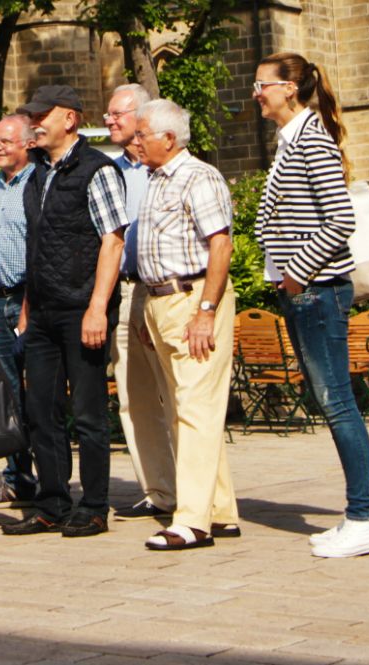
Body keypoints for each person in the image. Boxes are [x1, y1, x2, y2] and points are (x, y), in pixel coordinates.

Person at [253, 52, 369, 558]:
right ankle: (358, 514)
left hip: (317, 290)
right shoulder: (294, 141)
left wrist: (295, 273)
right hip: (305, 292)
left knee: (338, 404)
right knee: (332, 403)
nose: (256, 93)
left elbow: (339, 220)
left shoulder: (312, 139)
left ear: (289, 88)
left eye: (262, 84)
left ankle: (364, 517)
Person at [2, 85, 130, 539]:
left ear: (70, 119)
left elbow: (113, 241)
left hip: (82, 309)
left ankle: (94, 506)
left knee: (90, 412)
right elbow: (37, 245)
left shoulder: (98, 170)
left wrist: (98, 308)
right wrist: (26, 307)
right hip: (42, 313)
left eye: (43, 114)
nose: (35, 122)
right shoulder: (37, 174)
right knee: (41, 409)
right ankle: (52, 502)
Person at [128, 100, 242, 551]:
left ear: (169, 139)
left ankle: (192, 522)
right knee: (185, 409)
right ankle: (219, 510)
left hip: (194, 298)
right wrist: (143, 312)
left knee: (195, 407)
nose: (135, 142)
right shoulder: (155, 180)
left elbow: (221, 245)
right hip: (160, 301)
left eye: (142, 135)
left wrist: (206, 310)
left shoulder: (200, 177)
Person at [102, 83, 177, 523]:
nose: (109, 120)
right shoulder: (110, 170)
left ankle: (193, 486)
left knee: (176, 393)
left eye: (116, 113)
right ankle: (159, 491)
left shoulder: (170, 167)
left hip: (165, 289)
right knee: (134, 398)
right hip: (125, 290)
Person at [0, 113, 38, 507]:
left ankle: (47, 474)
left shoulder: (38, 186)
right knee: (7, 394)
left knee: (37, 393)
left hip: (27, 299)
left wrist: (27, 312)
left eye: (6, 140)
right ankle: (17, 476)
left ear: (28, 144)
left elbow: (40, 252)